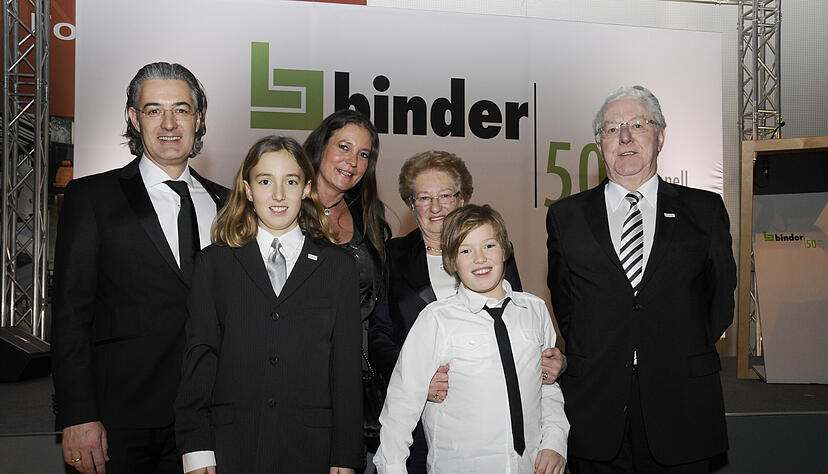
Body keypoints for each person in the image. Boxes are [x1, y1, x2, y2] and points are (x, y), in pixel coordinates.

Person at [545, 85, 737, 473]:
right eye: (613, 128)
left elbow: (720, 301)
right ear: (601, 144)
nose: (626, 137)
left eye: (638, 124)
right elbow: (566, 305)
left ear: (660, 136)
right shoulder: (566, 217)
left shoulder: (705, 210)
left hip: (682, 403)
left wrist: (674, 346)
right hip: (596, 407)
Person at [52, 62, 228, 473]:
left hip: (213, 419)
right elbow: (70, 315)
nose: (169, 123)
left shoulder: (230, 204)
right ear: (134, 117)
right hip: (120, 424)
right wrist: (78, 415)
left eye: (181, 110)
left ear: (198, 119)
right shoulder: (92, 198)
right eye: (153, 110)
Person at [174, 136, 363, 473]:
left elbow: (345, 370)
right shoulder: (214, 264)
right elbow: (199, 360)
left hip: (313, 451)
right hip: (230, 447)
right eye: (265, 181)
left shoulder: (339, 268)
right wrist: (196, 448)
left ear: (306, 189)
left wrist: (346, 456)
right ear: (247, 189)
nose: (278, 195)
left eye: (290, 182)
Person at [370, 150, 566, 473]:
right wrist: (421, 379)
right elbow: (380, 337)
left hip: (513, 440)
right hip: (434, 430)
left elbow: (524, 342)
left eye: (445, 195)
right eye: (424, 198)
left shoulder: (525, 301)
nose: (435, 207)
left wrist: (552, 363)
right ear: (411, 204)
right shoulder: (395, 259)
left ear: (461, 199)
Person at [303, 109, 391, 464]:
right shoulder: (282, 208)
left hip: (356, 379)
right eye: (343, 147)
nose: (352, 162)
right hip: (299, 375)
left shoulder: (368, 213)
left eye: (363, 154)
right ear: (321, 145)